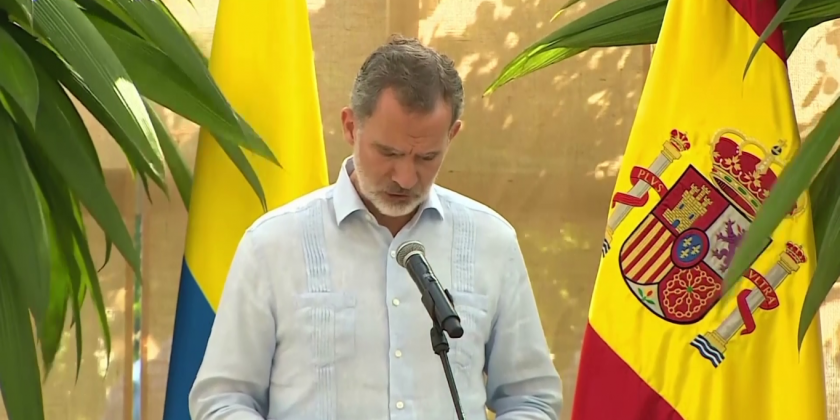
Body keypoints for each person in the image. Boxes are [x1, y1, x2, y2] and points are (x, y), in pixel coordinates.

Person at [189, 34, 562, 420]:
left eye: (427, 157)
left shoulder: (492, 242)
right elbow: (223, 400)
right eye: (389, 153)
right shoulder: (272, 245)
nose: (405, 177)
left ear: (452, 135)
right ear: (351, 126)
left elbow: (530, 399)